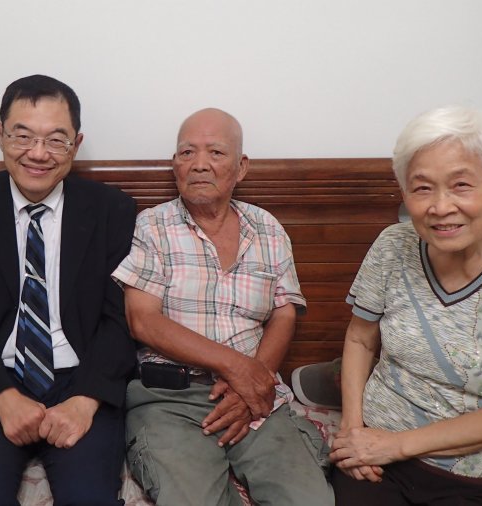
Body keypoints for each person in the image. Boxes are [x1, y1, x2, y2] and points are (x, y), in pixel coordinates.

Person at [330, 105, 482, 505]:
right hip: (374, 462)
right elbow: (360, 339)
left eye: (461, 185)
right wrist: (352, 431)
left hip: (473, 479)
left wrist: (393, 446)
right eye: (422, 188)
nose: (441, 207)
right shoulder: (393, 245)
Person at [0, 74, 137, 505]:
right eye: (22, 136)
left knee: (89, 498)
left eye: (56, 140)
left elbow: (120, 318)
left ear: (76, 145)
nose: (38, 153)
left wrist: (86, 399)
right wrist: (3, 396)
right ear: (0, 134)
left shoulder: (111, 210)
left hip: (80, 380)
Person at [112, 108, 333, 505]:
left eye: (215, 152)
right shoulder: (152, 226)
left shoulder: (267, 228)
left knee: (308, 500)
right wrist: (236, 367)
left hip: (257, 397)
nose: (199, 164)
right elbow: (141, 320)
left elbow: (284, 313)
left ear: (241, 166)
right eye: (187, 153)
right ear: (175, 165)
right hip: (171, 398)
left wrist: (252, 384)